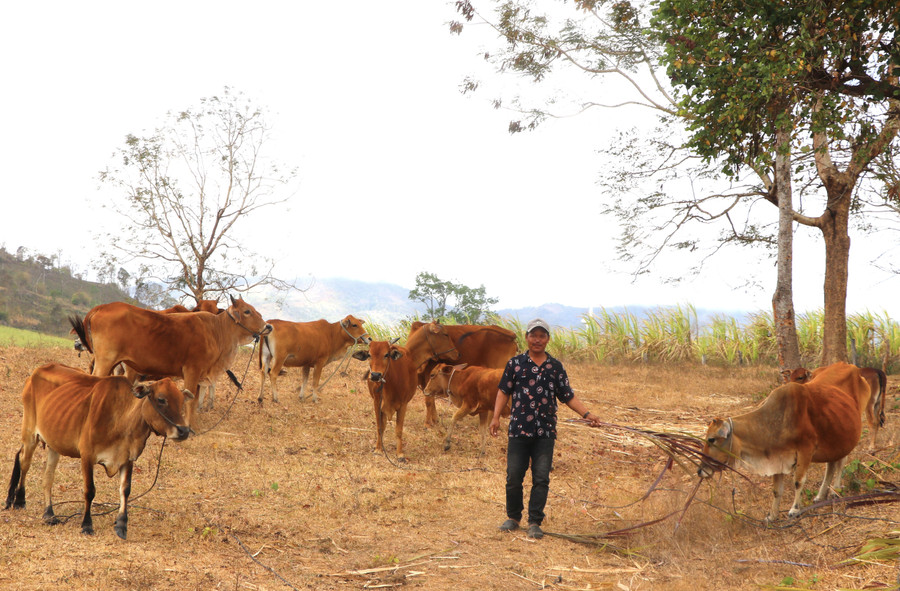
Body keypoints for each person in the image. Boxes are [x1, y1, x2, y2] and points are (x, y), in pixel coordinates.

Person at [489, 318, 601, 540]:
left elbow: (567, 396)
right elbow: (503, 391)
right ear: (526, 337)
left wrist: (587, 414)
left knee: (541, 478)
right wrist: (495, 418)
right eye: (533, 335)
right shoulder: (515, 364)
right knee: (513, 476)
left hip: (545, 433)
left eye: (542, 336)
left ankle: (534, 522)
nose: (537, 340)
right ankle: (513, 518)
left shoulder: (555, 367)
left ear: (548, 339)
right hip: (519, 429)